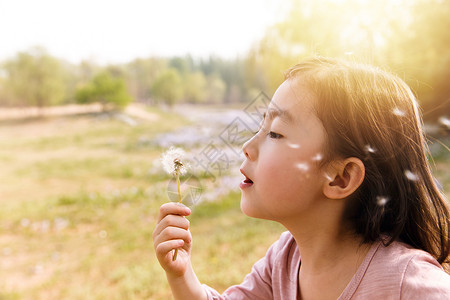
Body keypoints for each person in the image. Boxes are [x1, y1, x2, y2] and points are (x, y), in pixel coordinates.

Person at [153, 57, 450, 299]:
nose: (247, 147)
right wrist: (182, 276)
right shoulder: (284, 260)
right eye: (261, 127)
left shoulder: (409, 284)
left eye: (275, 133)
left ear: (340, 178)